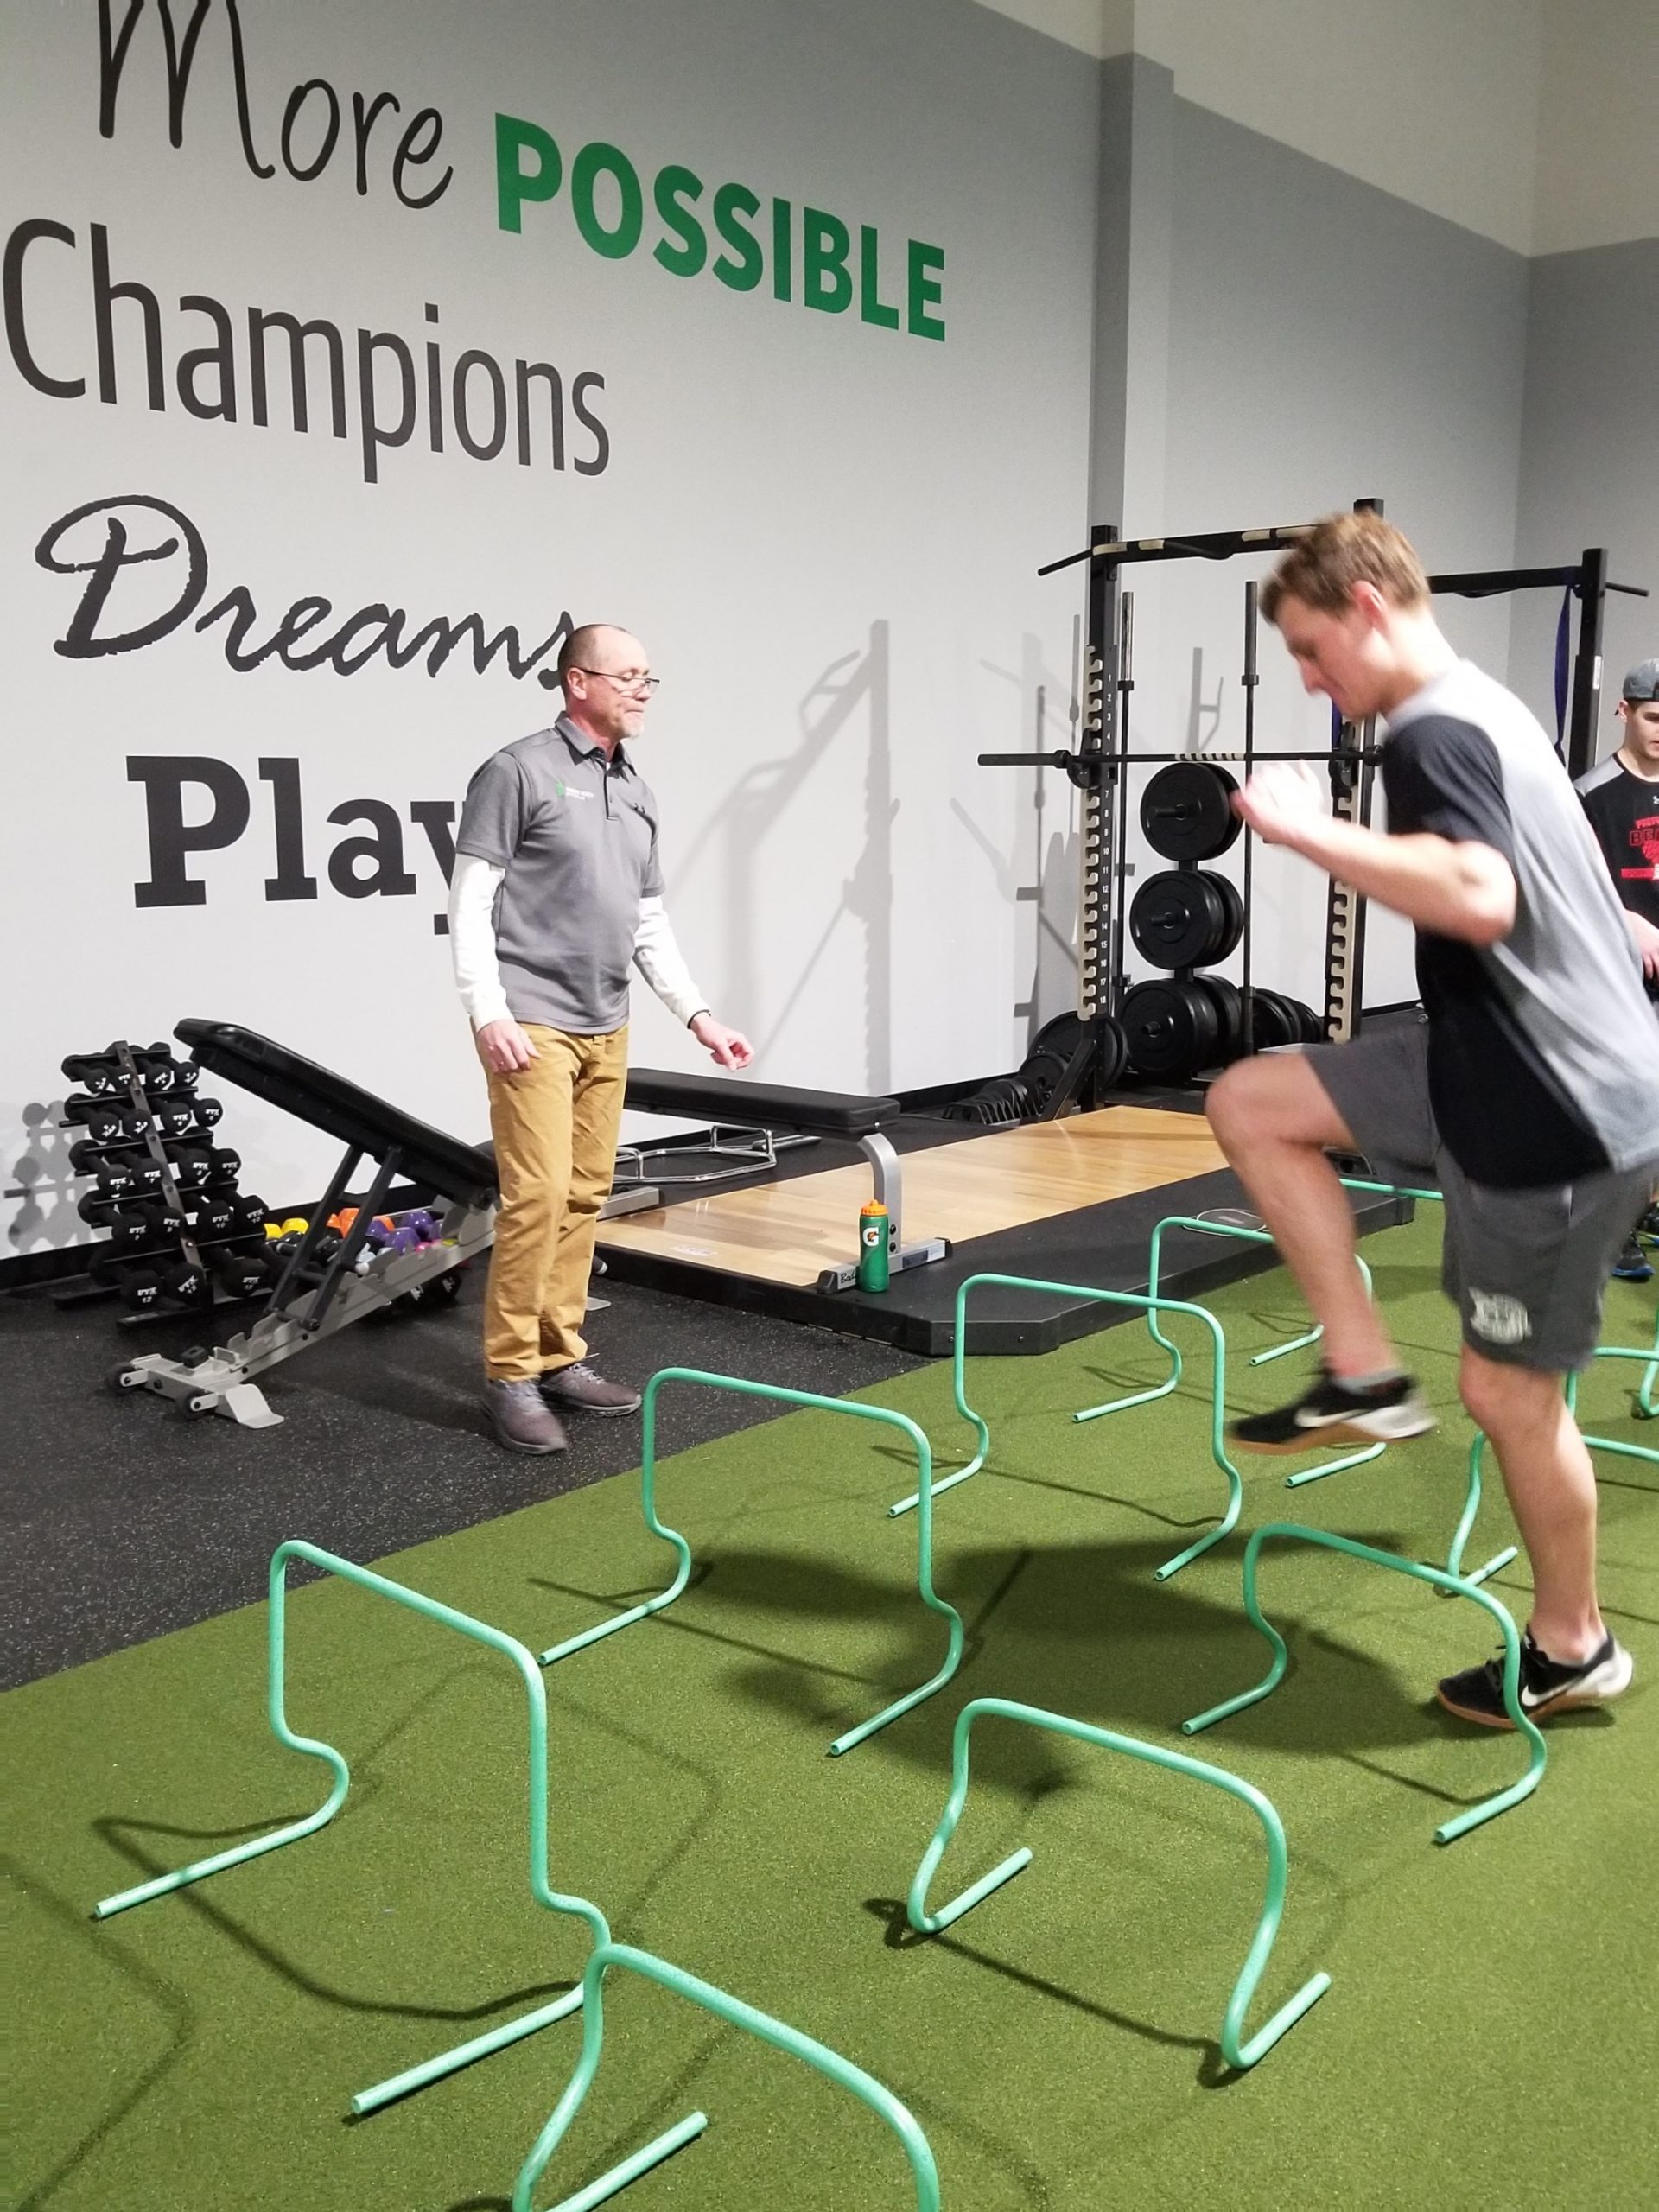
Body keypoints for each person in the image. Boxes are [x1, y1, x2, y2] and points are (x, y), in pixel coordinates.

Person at [1203, 512, 1659, 1728]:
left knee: (1510, 1396)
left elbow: (1479, 894)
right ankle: (1361, 1371)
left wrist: (1303, 829)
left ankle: (1575, 1645)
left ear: (1365, 607)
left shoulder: (1437, 732)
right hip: (1476, 1054)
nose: (1310, 680)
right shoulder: (1480, 709)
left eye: (1311, 650)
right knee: (1251, 1101)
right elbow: (1554, 884)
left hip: (1554, 1107)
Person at [449, 624, 753, 1453]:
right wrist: (488, 1010)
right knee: (539, 1196)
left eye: (650, 677)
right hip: (532, 1020)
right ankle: (510, 1377)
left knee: (586, 1195)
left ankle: (558, 1355)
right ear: (577, 682)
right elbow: (471, 901)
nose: (643, 691)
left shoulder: (638, 791)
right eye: (628, 677)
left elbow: (646, 920)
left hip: (606, 1022)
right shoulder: (517, 771)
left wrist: (698, 1014)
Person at [1573, 658, 1659, 1281]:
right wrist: (1628, 922)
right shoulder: (1588, 795)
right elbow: (1566, 887)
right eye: (1654, 717)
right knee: (1625, 1103)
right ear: (1623, 711)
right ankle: (1612, 1225)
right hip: (1617, 974)